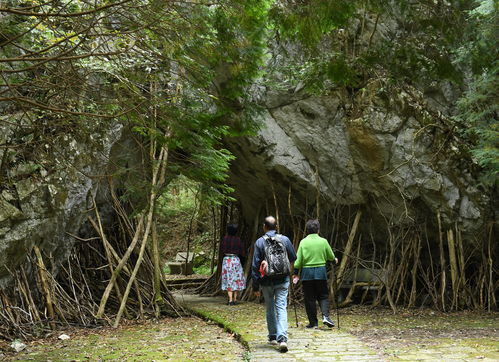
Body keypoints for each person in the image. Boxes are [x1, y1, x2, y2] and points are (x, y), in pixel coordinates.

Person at [252, 216, 296, 353]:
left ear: (264, 227)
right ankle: (282, 339)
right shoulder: (285, 240)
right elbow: (293, 257)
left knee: (270, 307)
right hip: (283, 279)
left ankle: (272, 336)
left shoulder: (260, 242)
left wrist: (255, 286)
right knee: (281, 307)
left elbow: (255, 266)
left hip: (266, 281)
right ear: (276, 226)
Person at [292, 219, 338, 329]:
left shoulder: (303, 242)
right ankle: (325, 316)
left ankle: (313, 323)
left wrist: (295, 273)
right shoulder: (323, 241)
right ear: (318, 230)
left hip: (307, 273)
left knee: (309, 298)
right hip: (320, 272)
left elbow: (298, 261)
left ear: (307, 230)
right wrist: (334, 260)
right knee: (323, 295)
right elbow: (331, 257)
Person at [220, 223, 246, 305]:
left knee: (228, 278)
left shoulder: (225, 239)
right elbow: (242, 252)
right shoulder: (238, 240)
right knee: (236, 278)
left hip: (227, 260)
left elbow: (222, 250)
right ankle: (235, 299)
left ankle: (230, 300)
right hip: (235, 260)